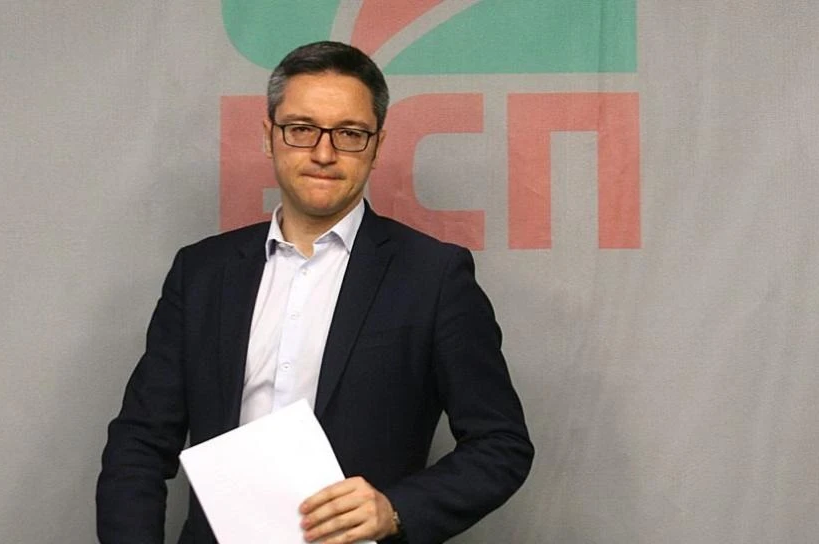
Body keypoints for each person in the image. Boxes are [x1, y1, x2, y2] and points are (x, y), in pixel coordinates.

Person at [97, 41, 533, 544]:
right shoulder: (201, 273)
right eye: (302, 129)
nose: (324, 154)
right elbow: (139, 443)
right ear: (269, 136)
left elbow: (501, 444)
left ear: (377, 145)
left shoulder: (433, 276)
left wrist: (396, 510)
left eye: (349, 134)